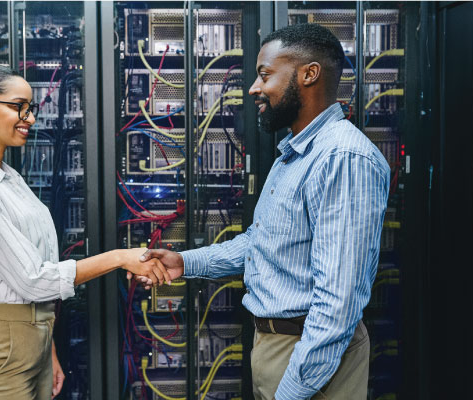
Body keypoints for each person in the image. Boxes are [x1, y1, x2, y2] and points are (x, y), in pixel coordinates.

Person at [135, 24, 390, 400]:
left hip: (310, 359)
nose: (254, 87)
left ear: (309, 74)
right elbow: (260, 242)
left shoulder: (343, 159)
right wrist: (184, 262)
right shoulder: (295, 153)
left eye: (265, 75)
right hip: (277, 347)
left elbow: (337, 305)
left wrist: (291, 391)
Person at [0, 64, 172, 399]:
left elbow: (32, 276)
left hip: (31, 346)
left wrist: (46, 351)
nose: (29, 118)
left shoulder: (8, 178)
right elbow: (32, 279)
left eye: (30, 109)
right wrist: (120, 257)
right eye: (19, 107)